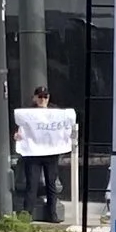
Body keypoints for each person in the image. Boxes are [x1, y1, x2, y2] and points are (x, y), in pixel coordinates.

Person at [16, 85, 72, 223]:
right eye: (40, 97)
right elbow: (20, 127)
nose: (43, 99)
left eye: (45, 97)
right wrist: (17, 135)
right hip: (33, 153)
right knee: (32, 184)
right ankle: (27, 214)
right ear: (35, 98)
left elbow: (64, 125)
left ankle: (52, 214)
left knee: (51, 184)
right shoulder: (28, 113)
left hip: (50, 153)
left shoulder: (55, 112)